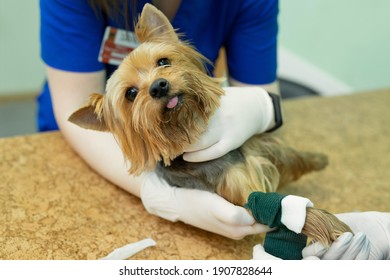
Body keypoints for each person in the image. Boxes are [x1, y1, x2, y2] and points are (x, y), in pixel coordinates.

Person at [39, 0, 388, 259]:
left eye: (162, 63)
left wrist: (261, 107)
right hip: (81, 146)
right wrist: (160, 194)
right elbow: (73, 106)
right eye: (133, 92)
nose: (156, 84)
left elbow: (264, 93)